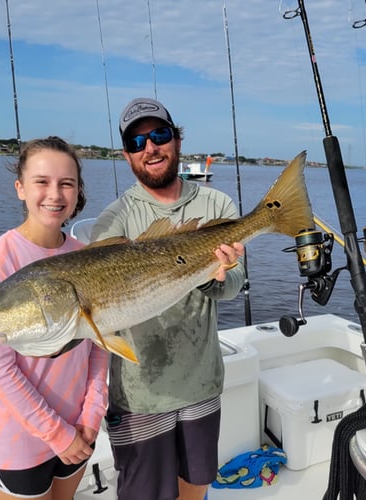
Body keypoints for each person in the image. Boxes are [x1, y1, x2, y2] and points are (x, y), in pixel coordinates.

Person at [91, 97, 246, 500]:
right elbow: (99, 295)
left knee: (196, 490)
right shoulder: (115, 218)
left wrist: (213, 276)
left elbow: (233, 288)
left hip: (201, 382)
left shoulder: (217, 205)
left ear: (176, 140)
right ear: (127, 155)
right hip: (139, 393)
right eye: (137, 142)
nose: (150, 148)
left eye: (159, 135)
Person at [0, 136, 109, 500]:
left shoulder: (83, 254)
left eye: (66, 183)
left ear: (78, 192)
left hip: (79, 428)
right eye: (41, 182)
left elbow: (98, 339)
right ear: (20, 188)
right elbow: (0, 371)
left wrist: (92, 414)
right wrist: (57, 434)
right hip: (20, 442)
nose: (55, 194)